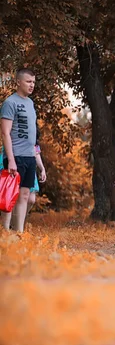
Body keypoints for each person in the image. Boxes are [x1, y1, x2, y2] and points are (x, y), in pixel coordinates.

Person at [1, 68, 38, 232]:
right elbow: (5, 132)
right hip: (15, 155)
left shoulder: (30, 103)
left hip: (29, 156)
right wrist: (11, 159)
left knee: (24, 195)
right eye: (28, 82)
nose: (32, 85)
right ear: (18, 82)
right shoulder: (10, 103)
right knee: (10, 195)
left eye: (34, 82)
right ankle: (5, 231)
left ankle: (19, 233)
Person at [0, 144, 46, 221]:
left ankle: (17, 221)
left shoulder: (33, 135)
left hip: (29, 164)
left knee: (31, 199)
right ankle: (10, 225)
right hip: (13, 160)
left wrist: (42, 168)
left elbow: (36, 151)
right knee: (11, 195)